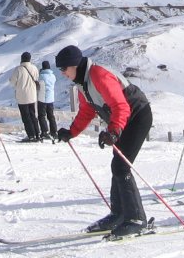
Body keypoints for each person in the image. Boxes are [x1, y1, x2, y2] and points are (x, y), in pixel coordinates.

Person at [54, 44, 152, 238]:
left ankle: (136, 219)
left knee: (121, 167)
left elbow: (121, 106)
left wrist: (114, 131)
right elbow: (87, 111)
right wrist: (71, 132)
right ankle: (118, 214)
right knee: (117, 165)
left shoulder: (98, 75)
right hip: (124, 121)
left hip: (137, 116)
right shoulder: (83, 83)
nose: (63, 73)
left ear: (74, 65)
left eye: (64, 68)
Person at [10, 51, 41, 142]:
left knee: (26, 117)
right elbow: (36, 78)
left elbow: (12, 82)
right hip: (32, 95)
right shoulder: (34, 68)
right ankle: (37, 134)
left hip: (22, 96)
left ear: (22, 58)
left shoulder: (18, 69)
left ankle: (31, 135)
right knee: (33, 115)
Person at [37, 60, 57, 141]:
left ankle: (44, 131)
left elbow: (38, 83)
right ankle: (54, 132)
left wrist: (40, 73)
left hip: (42, 99)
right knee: (51, 116)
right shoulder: (53, 76)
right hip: (51, 99)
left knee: (42, 116)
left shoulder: (41, 76)